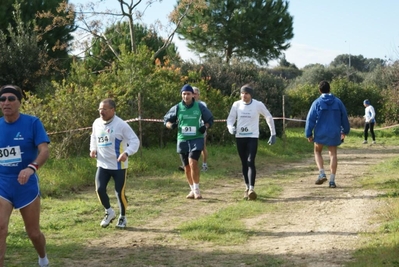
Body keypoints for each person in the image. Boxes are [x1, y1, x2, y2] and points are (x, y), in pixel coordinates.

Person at [0, 85, 50, 267]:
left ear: (19, 102)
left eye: (11, 99)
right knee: (0, 228)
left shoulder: (32, 123)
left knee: (33, 233)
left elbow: (44, 150)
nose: (6, 102)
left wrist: (31, 168)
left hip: (25, 184)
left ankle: (43, 258)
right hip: (2, 184)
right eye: (3, 99)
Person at [90, 98, 140, 228]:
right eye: (100, 109)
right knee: (99, 189)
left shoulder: (121, 125)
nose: (101, 112)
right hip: (102, 164)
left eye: (104, 109)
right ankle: (109, 212)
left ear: (112, 110)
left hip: (118, 165)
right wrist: (93, 149)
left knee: (119, 192)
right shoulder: (96, 123)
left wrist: (127, 153)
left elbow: (135, 141)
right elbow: (94, 137)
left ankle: (123, 217)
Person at [226, 84, 276, 201]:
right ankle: (247, 188)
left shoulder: (258, 104)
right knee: (244, 163)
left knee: (250, 161)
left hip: (252, 137)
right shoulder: (236, 104)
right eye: (242, 93)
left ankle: (252, 189)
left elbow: (268, 117)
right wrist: (230, 127)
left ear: (251, 95)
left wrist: (273, 133)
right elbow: (231, 118)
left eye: (247, 93)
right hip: (240, 137)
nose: (244, 96)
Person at [164, 84, 214, 199]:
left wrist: (205, 127)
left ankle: (197, 190)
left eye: (188, 94)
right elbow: (166, 120)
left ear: (193, 95)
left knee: (193, 162)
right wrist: (170, 126)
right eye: (184, 94)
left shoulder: (199, 107)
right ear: (181, 95)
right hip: (183, 139)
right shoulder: (177, 107)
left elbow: (210, 120)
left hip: (197, 138)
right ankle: (191, 189)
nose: (186, 96)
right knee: (186, 167)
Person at [305, 80, 350, 188]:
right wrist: (345, 131)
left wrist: (308, 133)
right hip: (334, 131)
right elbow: (344, 117)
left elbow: (310, 119)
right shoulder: (338, 102)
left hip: (320, 132)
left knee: (317, 151)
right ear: (329, 89)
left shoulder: (316, 102)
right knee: (333, 154)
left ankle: (321, 173)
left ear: (319, 90)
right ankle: (332, 181)